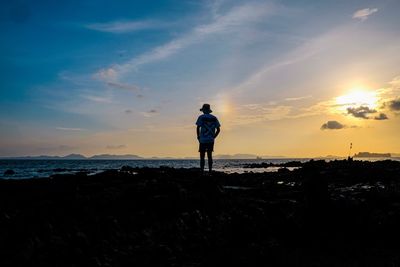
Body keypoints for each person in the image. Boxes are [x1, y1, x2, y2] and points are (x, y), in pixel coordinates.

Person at [196, 104, 221, 172]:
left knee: (202, 156)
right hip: (210, 139)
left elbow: (198, 127)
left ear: (203, 110)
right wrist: (214, 137)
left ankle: (202, 171)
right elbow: (218, 130)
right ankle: (210, 170)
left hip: (203, 139)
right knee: (210, 156)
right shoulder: (214, 118)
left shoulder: (201, 117)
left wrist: (198, 136)